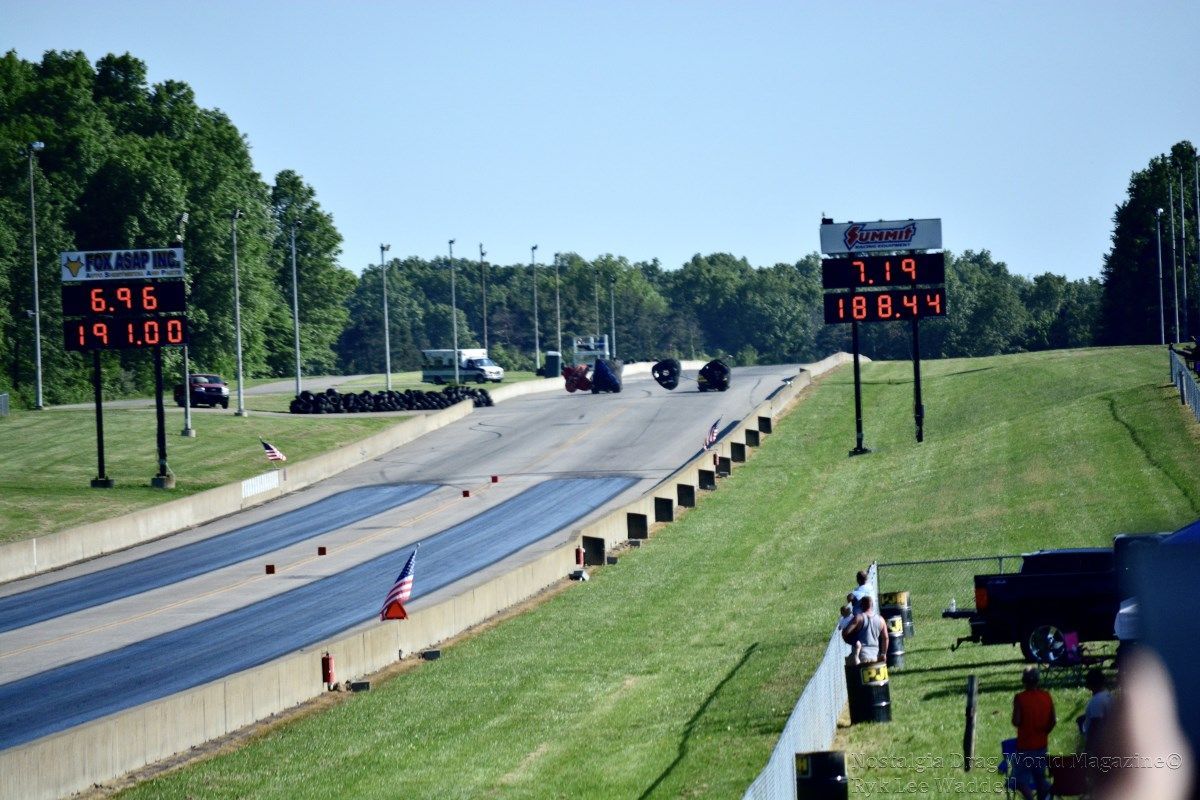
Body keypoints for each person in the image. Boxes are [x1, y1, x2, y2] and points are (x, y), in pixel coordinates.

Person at [1011, 667, 1056, 800]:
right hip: (1041, 744)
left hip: (1025, 746)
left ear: (1023, 681)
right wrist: (1045, 732)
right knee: (1039, 779)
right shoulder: (1046, 696)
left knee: (1018, 780)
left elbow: (1016, 721)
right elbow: (1053, 720)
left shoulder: (1020, 698)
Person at [842, 595, 888, 664]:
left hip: (861, 656)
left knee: (849, 664)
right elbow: (885, 638)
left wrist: (853, 641)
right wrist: (883, 654)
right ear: (872, 606)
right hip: (875, 655)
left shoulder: (859, 618)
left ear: (861, 606)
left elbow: (846, 633)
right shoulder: (881, 619)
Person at [1077, 667, 1113, 752]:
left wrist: (1088, 745)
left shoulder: (1097, 700)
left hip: (1099, 744)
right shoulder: (1109, 696)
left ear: (1089, 685)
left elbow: (1096, 724)